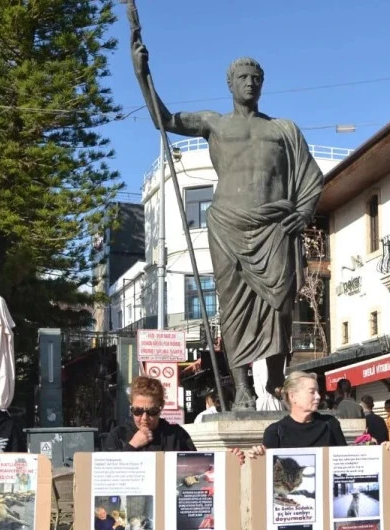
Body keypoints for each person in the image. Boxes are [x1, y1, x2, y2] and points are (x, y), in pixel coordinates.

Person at [132, 19, 323, 408]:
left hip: (273, 228)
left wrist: (302, 215)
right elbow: (164, 120)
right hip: (228, 226)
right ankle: (242, 389)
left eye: (256, 77)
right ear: (230, 84)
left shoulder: (284, 129)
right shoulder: (213, 124)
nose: (250, 83)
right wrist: (142, 73)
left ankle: (275, 382)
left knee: (279, 306)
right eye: (243, 77)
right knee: (234, 308)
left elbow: (311, 176)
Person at [103, 376, 196, 452]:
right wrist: (132, 445)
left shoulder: (176, 435)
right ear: (131, 406)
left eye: (152, 411)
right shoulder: (118, 435)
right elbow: (109, 471)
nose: (144, 417)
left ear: (162, 406)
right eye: (138, 411)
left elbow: (194, 467)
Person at [261, 372, 348, 448]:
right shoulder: (275, 432)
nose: (318, 396)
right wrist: (259, 455)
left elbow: (345, 460)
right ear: (292, 396)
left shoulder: (330, 424)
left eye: (318, 392)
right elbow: (267, 464)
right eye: (312, 392)